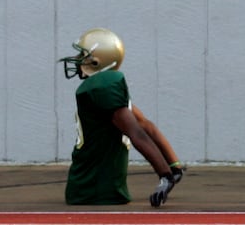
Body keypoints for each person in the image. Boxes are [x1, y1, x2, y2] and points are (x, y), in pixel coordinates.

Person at [58, 28, 184, 206]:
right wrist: (174, 166)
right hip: (99, 186)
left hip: (92, 189)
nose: (78, 59)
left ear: (97, 60)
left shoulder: (100, 86)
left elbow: (138, 132)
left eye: (82, 54)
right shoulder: (108, 86)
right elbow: (145, 125)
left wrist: (165, 175)